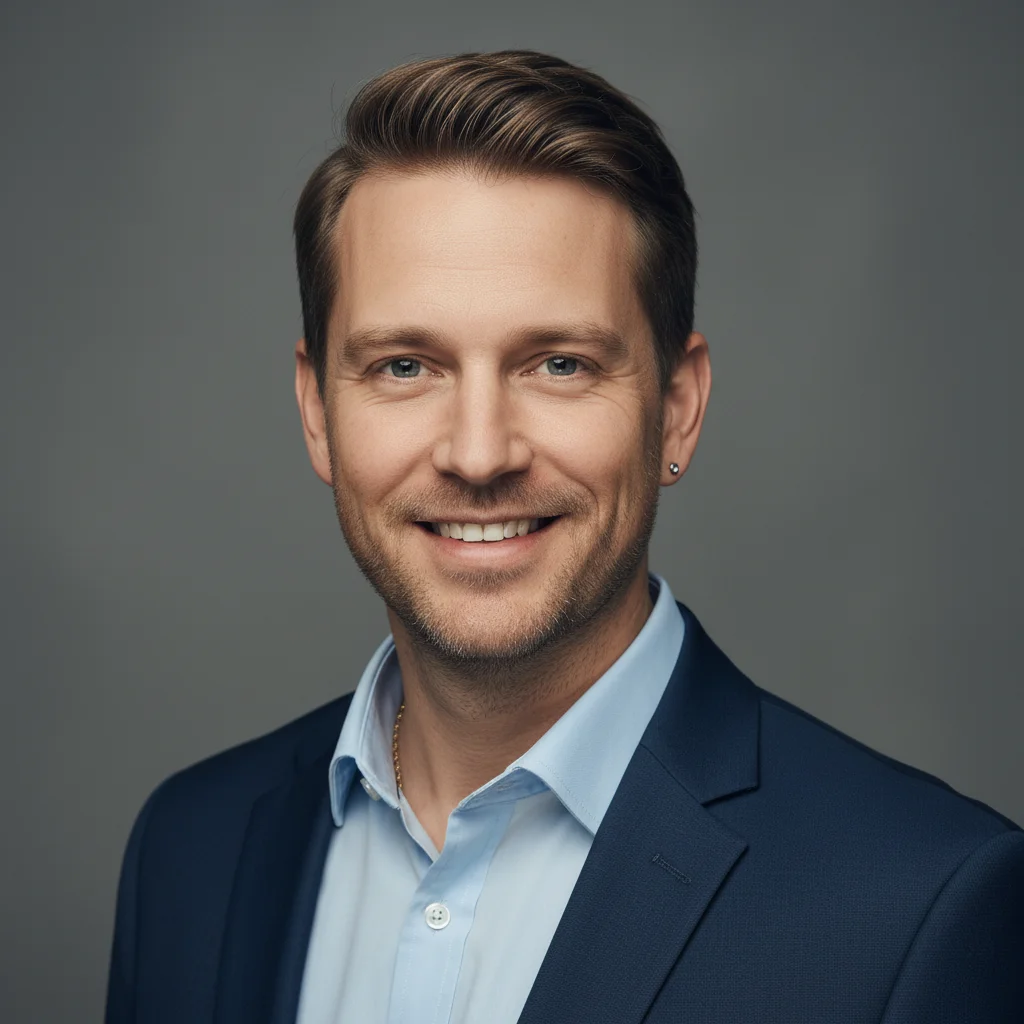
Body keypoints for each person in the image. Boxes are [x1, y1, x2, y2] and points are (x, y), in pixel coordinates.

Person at [105, 50, 1023, 1024]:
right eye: (406, 365)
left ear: (675, 407)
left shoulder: (921, 904)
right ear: (317, 410)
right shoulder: (189, 847)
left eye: (557, 363)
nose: (477, 451)